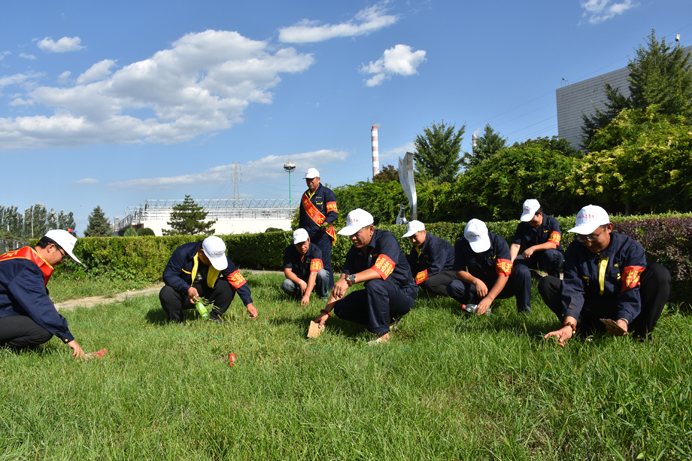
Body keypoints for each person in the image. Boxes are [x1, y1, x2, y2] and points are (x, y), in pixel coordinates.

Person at [540, 205, 671, 346]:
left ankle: (641, 336)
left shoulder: (630, 248)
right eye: (582, 237)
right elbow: (573, 287)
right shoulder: (575, 249)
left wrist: (623, 319)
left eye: (593, 236)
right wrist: (569, 323)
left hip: (622, 305)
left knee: (659, 274)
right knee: (547, 283)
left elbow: (630, 288)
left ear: (609, 227)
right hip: (593, 306)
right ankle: (581, 331)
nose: (588, 243)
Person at [314, 209, 417, 344]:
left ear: (371, 229)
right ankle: (388, 319)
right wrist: (326, 312)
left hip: (403, 295)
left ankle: (382, 335)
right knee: (341, 308)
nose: (353, 238)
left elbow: (380, 271)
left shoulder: (386, 239)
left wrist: (350, 280)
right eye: (350, 234)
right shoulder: (354, 250)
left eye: (356, 233)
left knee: (373, 283)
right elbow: (342, 281)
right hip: (378, 293)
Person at [0, 230, 85, 357]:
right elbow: (40, 305)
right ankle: (3, 349)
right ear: (51, 247)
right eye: (64, 255)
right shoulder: (27, 266)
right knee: (42, 330)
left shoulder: (22, 255)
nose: (63, 261)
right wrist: (68, 338)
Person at [159, 236, 258, 323]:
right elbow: (169, 275)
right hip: (184, 295)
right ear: (201, 252)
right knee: (166, 292)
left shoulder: (218, 255)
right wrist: (187, 288)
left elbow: (237, 279)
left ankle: (214, 317)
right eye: (212, 260)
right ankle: (176, 321)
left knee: (228, 285)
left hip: (206, 293)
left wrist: (248, 303)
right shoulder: (183, 252)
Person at [446, 219, 532, 314]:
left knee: (522, 270)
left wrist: (490, 298)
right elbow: (459, 271)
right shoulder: (460, 244)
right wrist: (476, 282)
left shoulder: (498, 242)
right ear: (467, 239)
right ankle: (476, 306)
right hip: (479, 287)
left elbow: (504, 273)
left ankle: (524, 310)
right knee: (453, 286)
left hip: (501, 284)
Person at [299, 168, 338, 289]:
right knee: (309, 263)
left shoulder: (327, 193)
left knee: (324, 263)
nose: (310, 182)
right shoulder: (305, 196)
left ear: (318, 179)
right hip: (308, 237)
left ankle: (329, 288)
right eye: (307, 180)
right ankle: (312, 288)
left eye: (312, 179)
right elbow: (302, 217)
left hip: (322, 236)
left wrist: (325, 224)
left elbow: (333, 213)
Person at [509, 199, 564, 278]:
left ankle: (554, 280)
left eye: (532, 219)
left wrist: (533, 248)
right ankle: (536, 279)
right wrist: (510, 262)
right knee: (516, 262)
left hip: (552, 256)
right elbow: (515, 245)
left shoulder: (552, 222)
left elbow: (553, 244)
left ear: (540, 214)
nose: (530, 222)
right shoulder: (522, 226)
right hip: (533, 258)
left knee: (549, 255)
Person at [402, 220, 456, 297]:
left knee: (429, 282)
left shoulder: (436, 244)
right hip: (438, 270)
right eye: (410, 237)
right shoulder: (418, 245)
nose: (413, 240)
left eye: (415, 236)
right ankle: (430, 292)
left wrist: (420, 277)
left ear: (424, 232)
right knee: (412, 268)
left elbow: (436, 267)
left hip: (451, 272)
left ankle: (451, 294)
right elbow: (411, 261)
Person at [281, 228, 330, 305]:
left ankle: (322, 297)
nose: (302, 247)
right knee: (286, 283)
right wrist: (300, 282)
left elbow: (314, 273)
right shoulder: (288, 250)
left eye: (304, 243)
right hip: (298, 280)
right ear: (294, 243)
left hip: (313, 278)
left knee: (322, 273)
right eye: (299, 244)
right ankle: (298, 297)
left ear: (309, 240)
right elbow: (287, 271)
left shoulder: (316, 250)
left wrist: (307, 295)